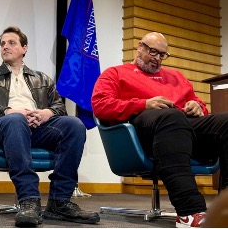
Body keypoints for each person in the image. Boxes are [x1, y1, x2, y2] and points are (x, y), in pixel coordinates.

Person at [92, 31, 228, 228]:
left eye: (162, 55)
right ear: (140, 47)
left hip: (183, 129)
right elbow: (101, 106)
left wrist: (198, 106)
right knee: (172, 116)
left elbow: (198, 103)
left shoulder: (177, 77)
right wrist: (144, 104)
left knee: (225, 121)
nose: (157, 59)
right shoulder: (115, 73)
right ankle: (189, 211)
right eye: (153, 52)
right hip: (143, 134)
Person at [0, 26, 99, 227]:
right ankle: (28, 199)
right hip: (2, 128)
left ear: (24, 48)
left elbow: (58, 106)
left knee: (75, 125)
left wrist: (47, 113)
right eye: (2, 43)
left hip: (36, 128)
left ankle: (59, 201)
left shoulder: (42, 78)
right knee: (16, 120)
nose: (5, 47)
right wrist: (8, 111)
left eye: (11, 42)